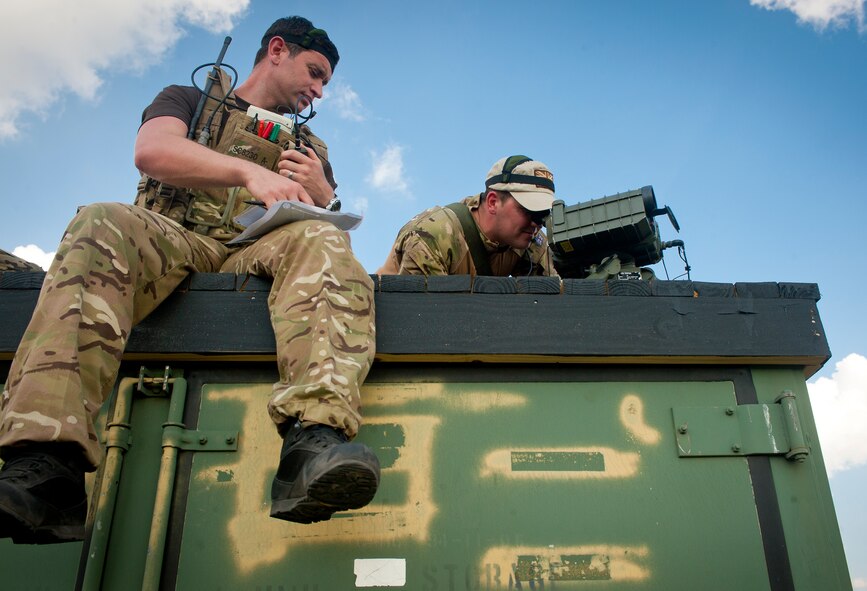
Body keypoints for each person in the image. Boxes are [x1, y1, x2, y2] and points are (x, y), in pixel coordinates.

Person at [0, 16, 380, 544]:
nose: (318, 91)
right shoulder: (190, 98)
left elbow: (324, 223)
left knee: (327, 242)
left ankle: (312, 443)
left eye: (325, 84)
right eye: (314, 73)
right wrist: (247, 172)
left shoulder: (309, 142)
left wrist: (322, 192)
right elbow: (153, 152)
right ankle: (47, 466)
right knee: (99, 221)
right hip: (177, 239)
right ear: (276, 50)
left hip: (257, 251)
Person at [378, 155, 558, 277]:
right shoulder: (434, 237)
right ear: (493, 202)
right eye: (528, 210)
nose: (537, 223)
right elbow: (423, 319)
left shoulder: (530, 240)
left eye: (542, 213)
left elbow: (554, 308)